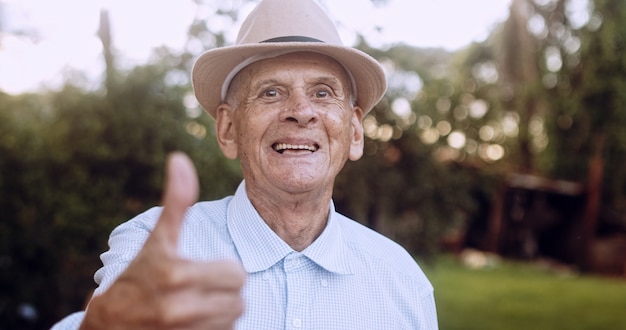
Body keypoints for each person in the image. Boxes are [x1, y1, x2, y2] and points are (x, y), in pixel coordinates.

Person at [52, 0, 438, 329]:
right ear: (228, 128)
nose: (301, 112)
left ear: (354, 132)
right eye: (271, 92)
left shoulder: (402, 280)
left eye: (323, 92)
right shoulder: (153, 247)